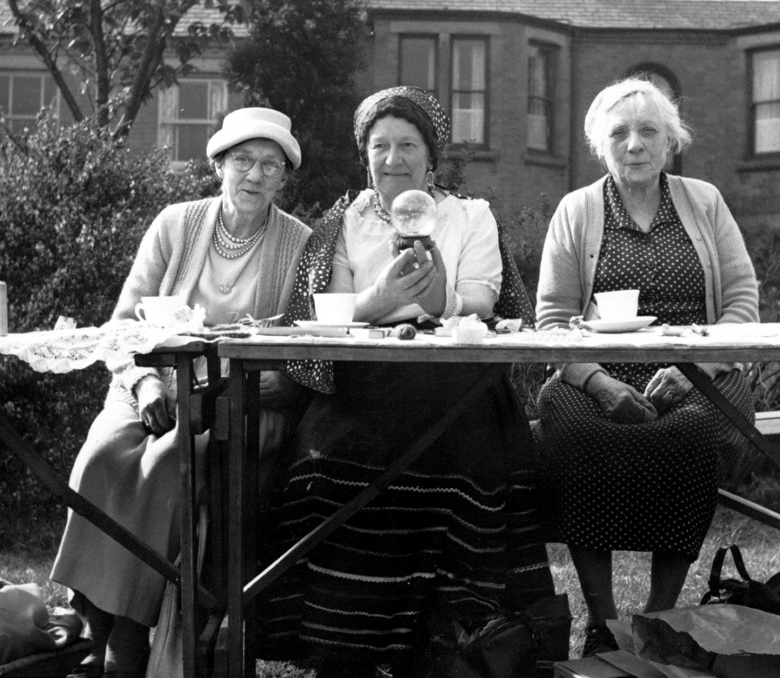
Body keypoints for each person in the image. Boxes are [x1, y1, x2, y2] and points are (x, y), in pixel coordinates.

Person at [256, 86, 557, 676]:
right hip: (364, 386)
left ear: (431, 156)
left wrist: (441, 296)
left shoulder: (471, 215)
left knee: (467, 473)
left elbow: (483, 297)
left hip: (457, 387)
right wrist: (381, 299)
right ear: (363, 154)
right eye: (379, 146)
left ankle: (454, 640)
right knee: (325, 471)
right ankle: (345, 650)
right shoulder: (341, 223)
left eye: (407, 145)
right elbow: (327, 310)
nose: (392, 159)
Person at [51, 107, 312, 678]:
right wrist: (143, 380)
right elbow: (121, 326)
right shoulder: (175, 223)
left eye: (271, 165)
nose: (255, 175)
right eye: (243, 160)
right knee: (100, 455)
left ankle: (127, 633)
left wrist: (240, 386)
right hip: (152, 384)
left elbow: (303, 354)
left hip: (238, 398)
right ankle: (94, 618)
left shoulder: (300, 244)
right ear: (219, 164)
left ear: (284, 178)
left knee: (174, 461)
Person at [532, 77, 759, 656]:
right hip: (594, 372)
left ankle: (657, 620)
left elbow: (741, 302)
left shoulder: (705, 201)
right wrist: (598, 381)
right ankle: (603, 623)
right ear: (598, 144)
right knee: (578, 433)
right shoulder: (576, 210)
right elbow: (553, 320)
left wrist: (695, 368)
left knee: (691, 436)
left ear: (670, 141)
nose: (634, 144)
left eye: (648, 131)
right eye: (619, 133)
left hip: (696, 371)